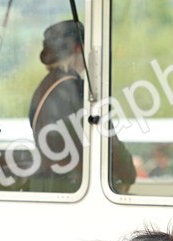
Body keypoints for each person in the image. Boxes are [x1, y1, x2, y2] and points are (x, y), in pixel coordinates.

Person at [27, 19, 136, 194]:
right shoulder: (79, 90)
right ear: (79, 48)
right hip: (73, 188)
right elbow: (108, 141)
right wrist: (128, 172)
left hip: (45, 186)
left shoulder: (42, 89)